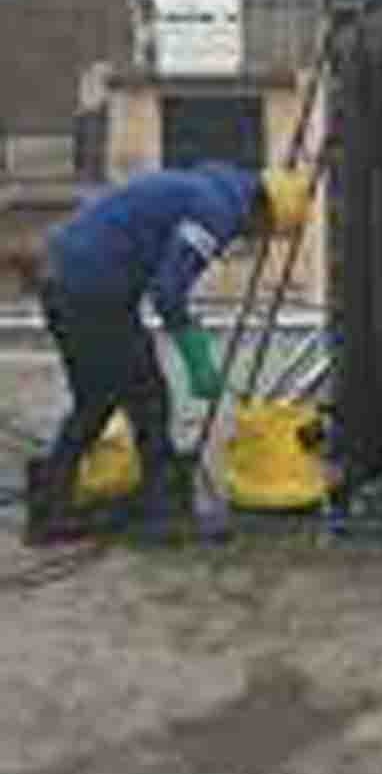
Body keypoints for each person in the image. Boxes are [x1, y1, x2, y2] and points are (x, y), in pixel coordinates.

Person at [22, 161, 312, 546]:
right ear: (263, 213)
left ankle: (63, 506)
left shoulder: (215, 186)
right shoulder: (217, 212)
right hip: (88, 289)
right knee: (137, 397)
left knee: (107, 398)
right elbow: (168, 292)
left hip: (73, 277)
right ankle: (148, 508)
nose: (255, 240)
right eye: (264, 233)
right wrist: (197, 357)